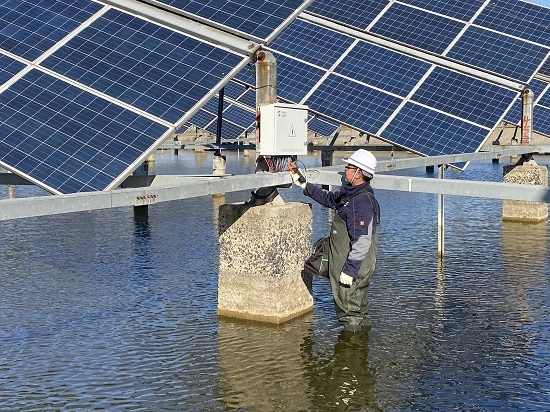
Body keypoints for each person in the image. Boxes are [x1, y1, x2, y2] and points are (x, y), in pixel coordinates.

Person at [290, 149, 380, 332]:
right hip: (353, 264)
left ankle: (352, 347)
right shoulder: (352, 195)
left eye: (348, 167)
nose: (345, 170)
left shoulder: (361, 202)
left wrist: (350, 271)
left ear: (358, 173)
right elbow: (329, 199)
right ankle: (361, 344)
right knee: (359, 309)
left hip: (352, 266)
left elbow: (362, 240)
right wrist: (304, 185)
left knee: (350, 312)